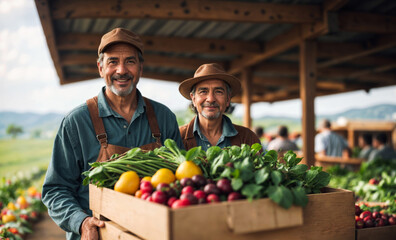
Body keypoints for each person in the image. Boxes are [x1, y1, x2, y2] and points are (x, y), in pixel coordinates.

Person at [42, 28, 184, 240]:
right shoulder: (76, 122)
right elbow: (55, 189)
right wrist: (81, 223)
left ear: (140, 68)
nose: (121, 70)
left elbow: (180, 179)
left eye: (130, 61)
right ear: (100, 68)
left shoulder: (164, 118)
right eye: (112, 62)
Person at [178, 63, 261, 151]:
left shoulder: (248, 138)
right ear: (193, 99)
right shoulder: (178, 137)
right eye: (203, 91)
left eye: (218, 92)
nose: (210, 99)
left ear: (228, 99)